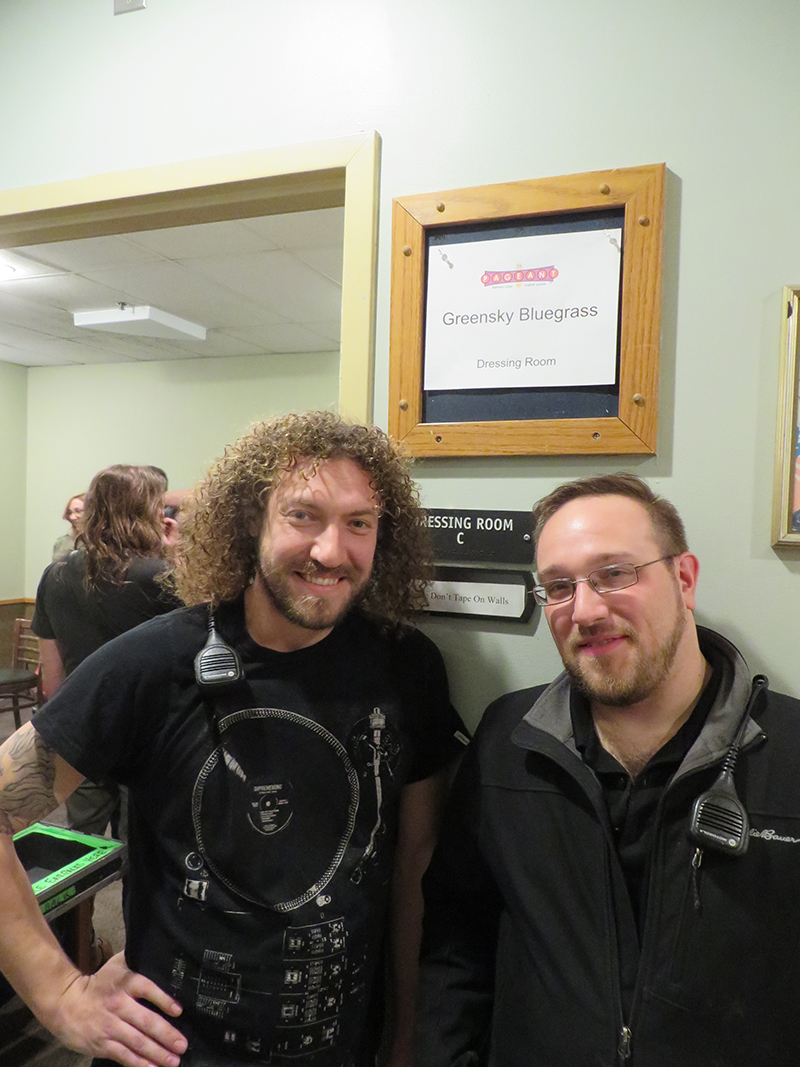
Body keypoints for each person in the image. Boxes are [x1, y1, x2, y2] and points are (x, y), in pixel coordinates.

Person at [0, 412, 465, 1067]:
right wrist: (59, 994)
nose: (332, 550)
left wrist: (410, 1033)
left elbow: (416, 862)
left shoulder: (407, 667)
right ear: (251, 521)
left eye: (358, 522)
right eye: (303, 515)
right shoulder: (154, 662)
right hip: (172, 1051)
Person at [416, 473, 800, 1067]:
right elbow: (454, 944)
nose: (586, 610)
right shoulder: (506, 744)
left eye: (615, 574)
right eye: (559, 587)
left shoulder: (790, 754)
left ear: (684, 579)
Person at [32, 464, 181, 836]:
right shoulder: (164, 577)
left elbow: (51, 680)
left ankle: (81, 898)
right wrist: (176, 554)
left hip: (82, 728)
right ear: (147, 512)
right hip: (150, 736)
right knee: (141, 848)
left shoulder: (55, 575)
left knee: (80, 843)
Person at [52, 492, 85, 561]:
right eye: (70, 512)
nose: (72, 517)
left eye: (78, 511)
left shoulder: (102, 542)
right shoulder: (62, 543)